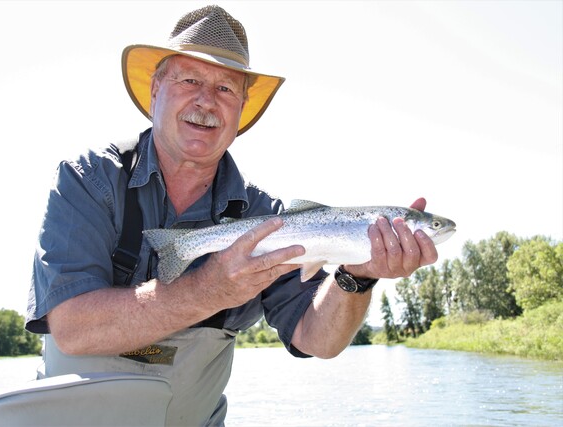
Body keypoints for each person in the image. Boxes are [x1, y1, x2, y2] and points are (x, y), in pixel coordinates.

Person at [25, 5, 438, 426]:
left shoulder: (267, 217)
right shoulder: (88, 181)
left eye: (226, 89)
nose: (206, 101)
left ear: (241, 109)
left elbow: (317, 338)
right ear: (155, 89)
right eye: (190, 80)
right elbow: (73, 328)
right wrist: (210, 290)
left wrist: (356, 276)